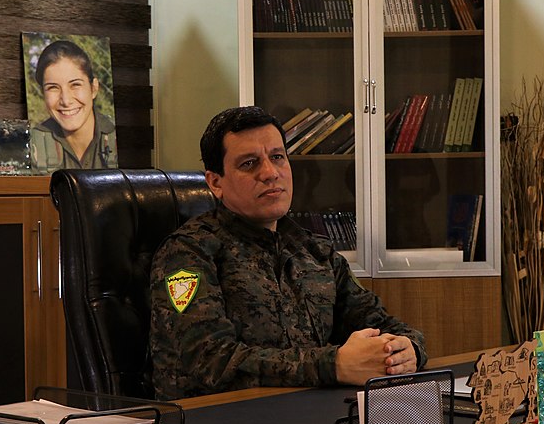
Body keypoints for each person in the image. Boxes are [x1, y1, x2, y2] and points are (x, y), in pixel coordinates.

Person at [149, 105, 427, 400]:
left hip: (309, 413)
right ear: (215, 182)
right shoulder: (188, 253)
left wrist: (408, 349)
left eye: (277, 157)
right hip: (217, 420)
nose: (270, 173)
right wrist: (333, 365)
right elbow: (210, 362)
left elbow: (380, 323)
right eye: (249, 164)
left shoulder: (315, 251)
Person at [28, 40, 117, 171]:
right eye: (53, 88)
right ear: (43, 94)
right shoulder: (31, 147)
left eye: (75, 85)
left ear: (93, 88)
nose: (66, 100)